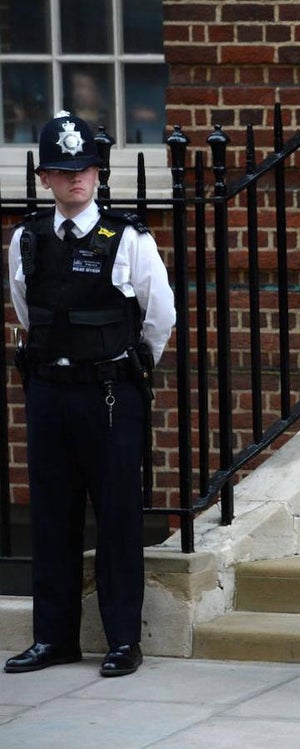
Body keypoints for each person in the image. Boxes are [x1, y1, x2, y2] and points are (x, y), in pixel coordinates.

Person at [4, 111, 176, 677]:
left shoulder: (128, 239)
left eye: (84, 168)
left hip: (108, 394)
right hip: (49, 392)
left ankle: (123, 639)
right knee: (51, 515)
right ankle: (54, 638)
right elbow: (27, 311)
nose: (75, 178)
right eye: (62, 170)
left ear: (98, 173)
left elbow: (159, 316)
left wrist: (125, 367)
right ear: (45, 178)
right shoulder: (27, 239)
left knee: (118, 516)